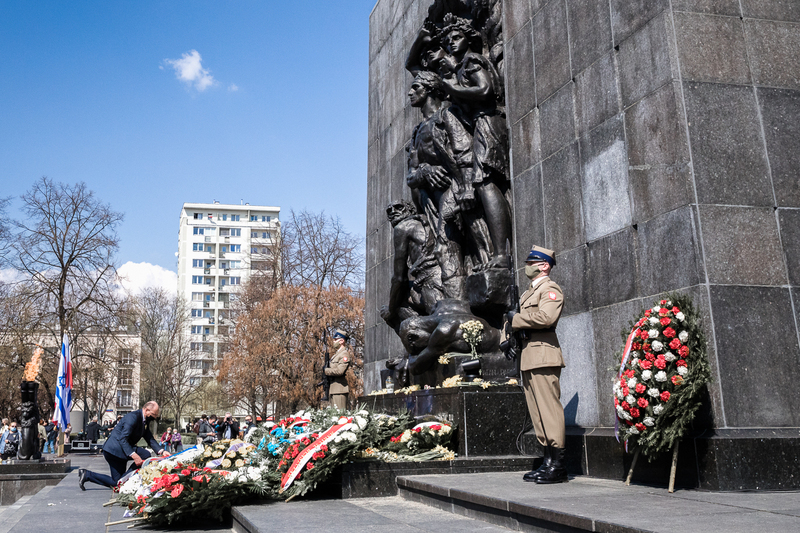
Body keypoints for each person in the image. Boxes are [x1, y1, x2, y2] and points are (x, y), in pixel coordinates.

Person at [507, 246, 567, 484]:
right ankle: (547, 462)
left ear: (544, 265)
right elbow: (512, 321)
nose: (527, 266)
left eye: (532, 262)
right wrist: (506, 339)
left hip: (544, 355)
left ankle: (559, 465)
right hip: (528, 356)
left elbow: (546, 318)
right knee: (537, 413)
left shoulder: (550, 289)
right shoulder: (526, 294)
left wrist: (515, 320)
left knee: (549, 411)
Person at [78, 401, 169, 490]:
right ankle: (127, 479)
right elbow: (123, 438)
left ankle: (87, 475)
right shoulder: (133, 417)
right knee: (145, 455)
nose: (154, 417)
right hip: (114, 450)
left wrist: (162, 451)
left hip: (119, 451)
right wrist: (134, 455)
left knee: (117, 484)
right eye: (154, 414)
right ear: (146, 410)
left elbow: (149, 437)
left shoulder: (144, 420)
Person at [324, 328, 352, 410]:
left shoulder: (344, 354)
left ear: (341, 341)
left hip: (340, 390)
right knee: (334, 417)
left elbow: (340, 371)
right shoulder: (337, 354)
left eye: (335, 339)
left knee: (340, 417)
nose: (334, 342)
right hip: (333, 389)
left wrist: (326, 370)